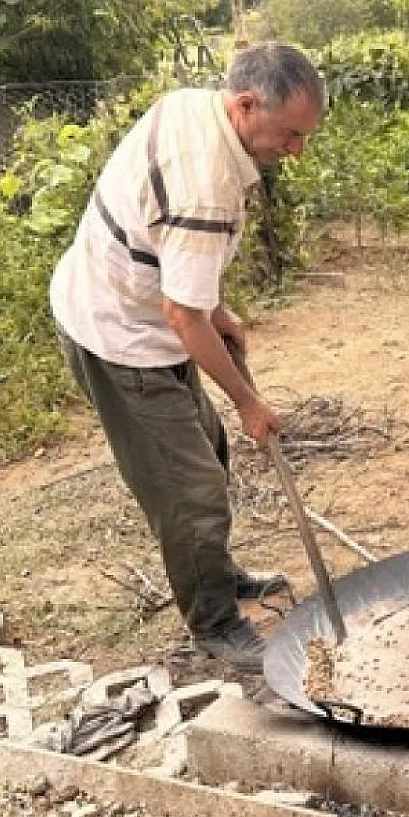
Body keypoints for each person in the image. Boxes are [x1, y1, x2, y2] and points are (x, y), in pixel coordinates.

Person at [49, 42, 325, 674]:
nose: (295, 150)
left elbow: (177, 262)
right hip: (120, 335)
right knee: (190, 490)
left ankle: (217, 575)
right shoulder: (208, 182)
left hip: (147, 310)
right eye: (289, 134)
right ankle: (215, 624)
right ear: (246, 104)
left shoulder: (196, 108)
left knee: (208, 450)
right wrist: (250, 401)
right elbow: (181, 313)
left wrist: (214, 307)